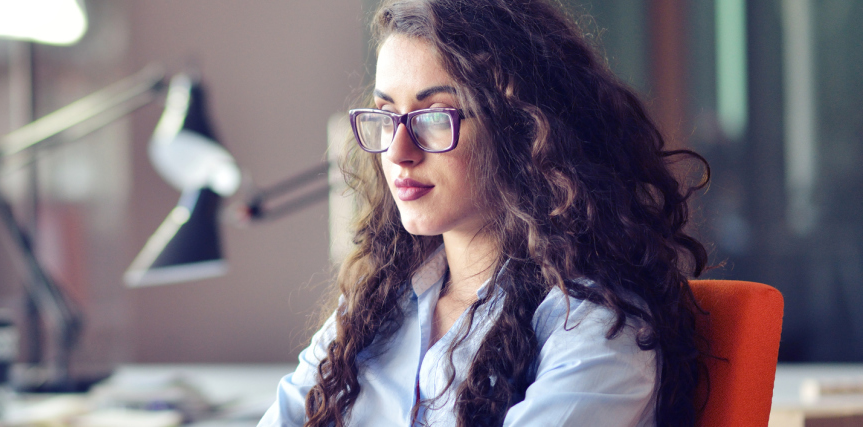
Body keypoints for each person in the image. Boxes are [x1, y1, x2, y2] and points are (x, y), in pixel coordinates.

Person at [258, 0, 711, 426]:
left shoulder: (597, 328)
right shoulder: (374, 308)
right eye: (386, 114)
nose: (398, 152)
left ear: (522, 129)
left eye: (435, 116)